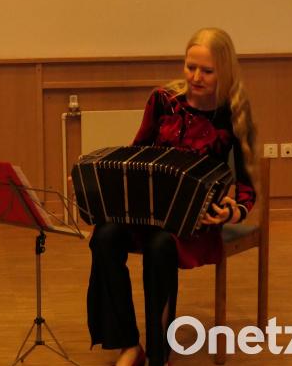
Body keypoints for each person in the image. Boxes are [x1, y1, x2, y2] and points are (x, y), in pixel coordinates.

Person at [86, 27, 258, 366]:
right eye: (190, 66)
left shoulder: (234, 114)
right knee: (104, 236)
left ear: (225, 71)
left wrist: (231, 212)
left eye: (206, 71)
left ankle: (159, 352)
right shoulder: (163, 101)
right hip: (144, 210)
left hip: (194, 220)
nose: (195, 77)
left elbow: (246, 185)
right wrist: (99, 189)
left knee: (160, 245)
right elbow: (134, 156)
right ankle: (129, 344)